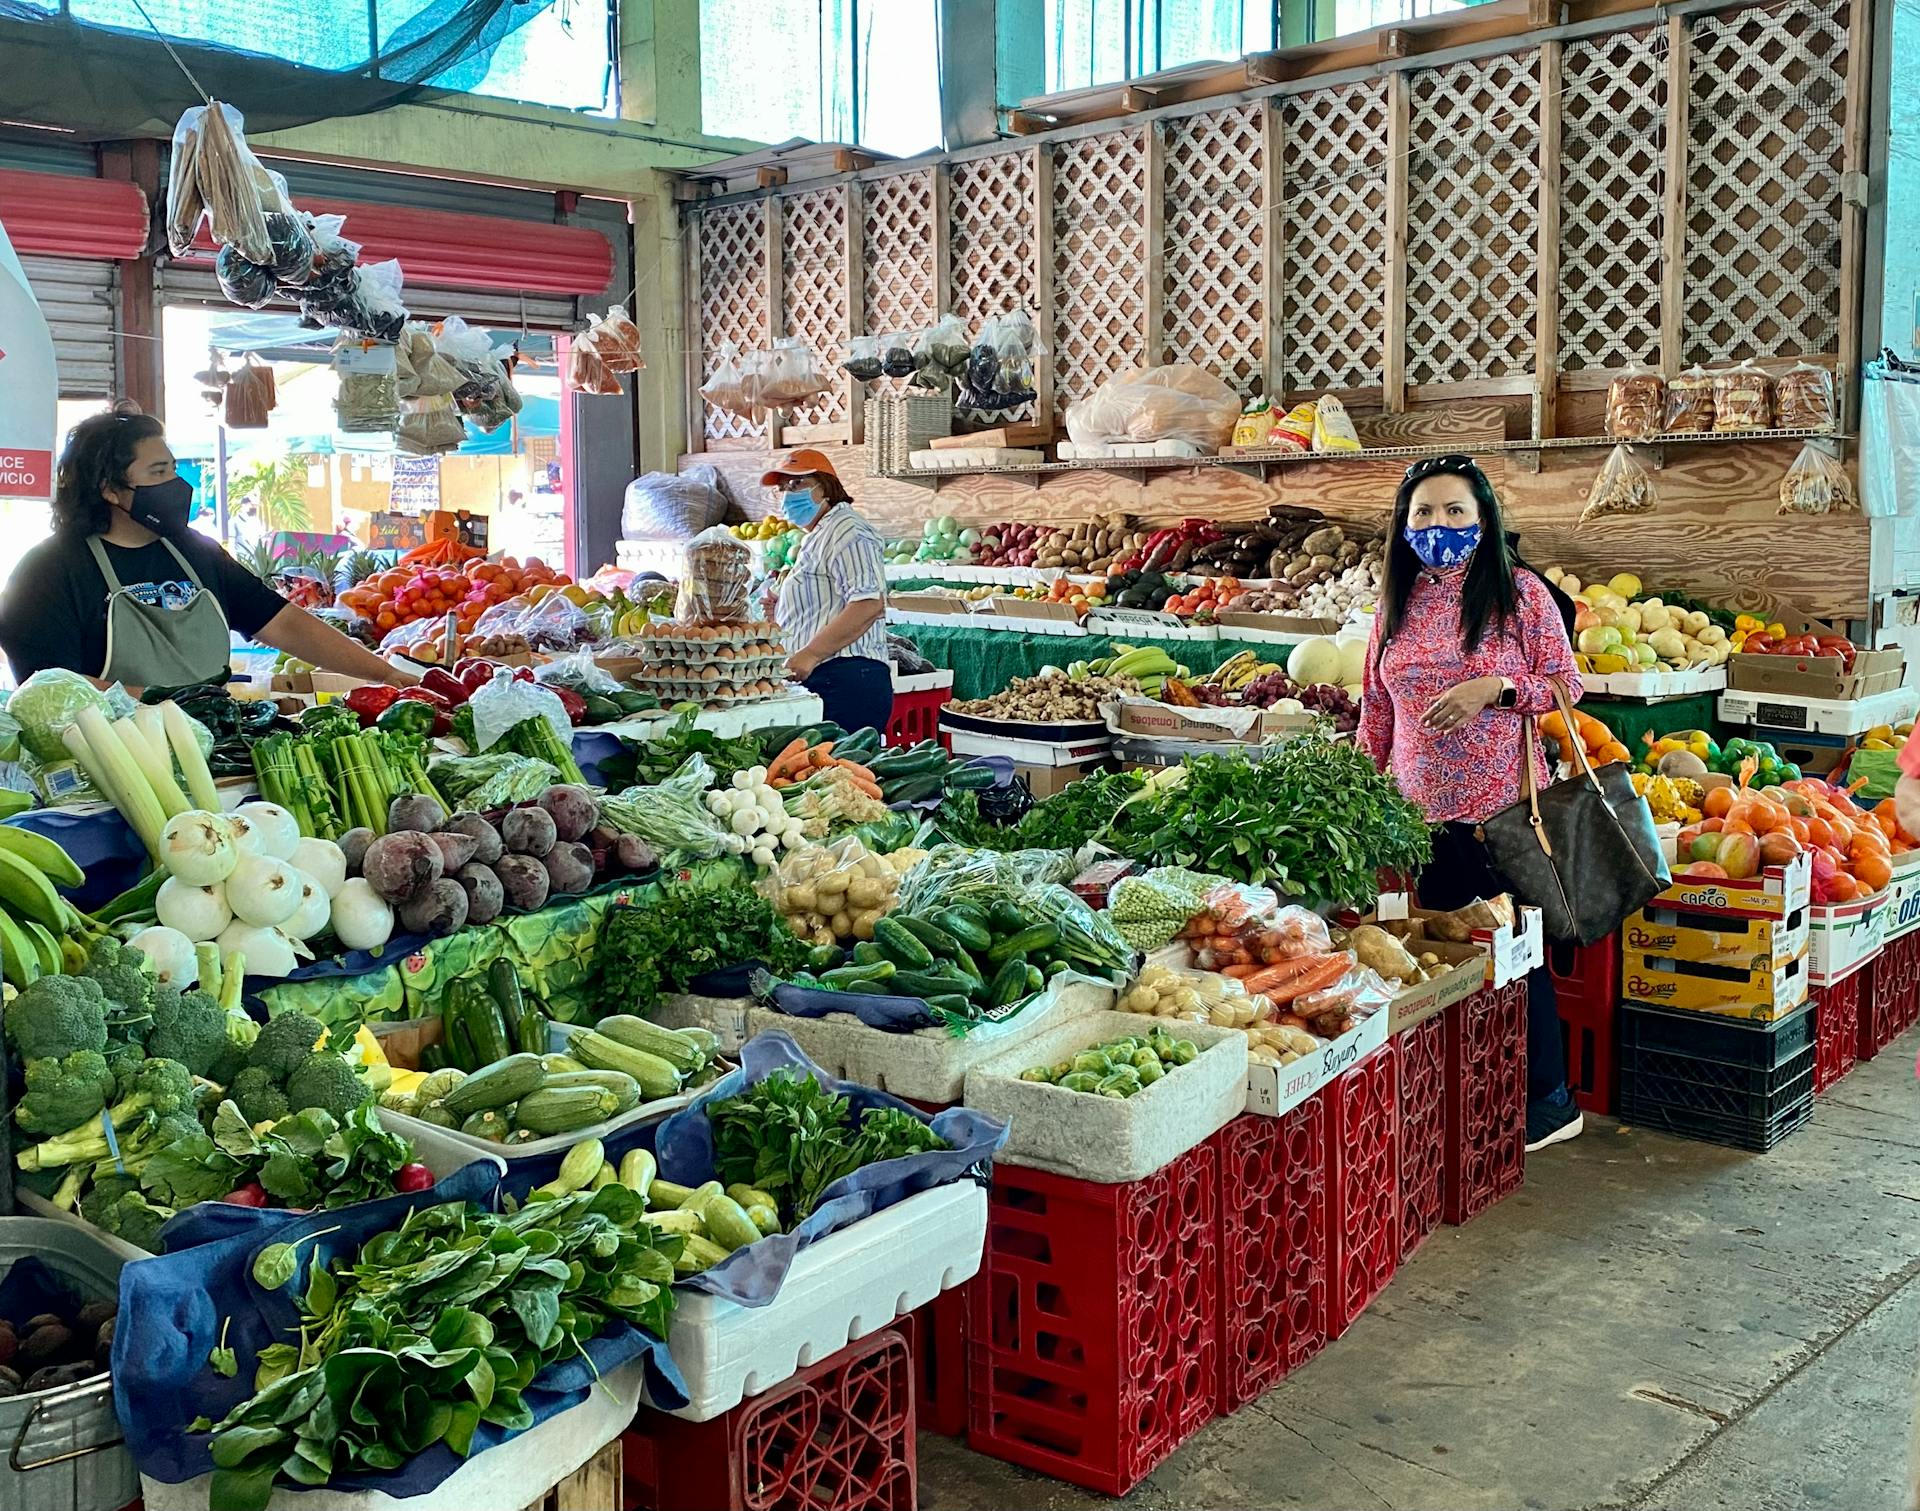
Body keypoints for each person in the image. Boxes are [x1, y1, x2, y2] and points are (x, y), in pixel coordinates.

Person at [1358, 454, 1584, 1152]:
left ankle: (1550, 1099)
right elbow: (1375, 708)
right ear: (1404, 525)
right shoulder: (1397, 602)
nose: (1439, 524)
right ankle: (1462, 1093)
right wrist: (1364, 797)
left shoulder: (1518, 595)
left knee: (1516, 954)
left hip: (1500, 814)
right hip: (1417, 817)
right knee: (1440, 957)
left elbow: (1568, 686)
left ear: (1483, 520)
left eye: (1455, 510)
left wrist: (1495, 688)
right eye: (1424, 512)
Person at [0, 408, 418, 694]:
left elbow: (284, 623)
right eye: (158, 472)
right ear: (109, 489)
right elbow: (50, 686)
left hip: (215, 752)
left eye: (173, 468)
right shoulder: (48, 572)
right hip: (106, 775)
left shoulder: (196, 553)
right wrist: (170, 703)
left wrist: (386, 674)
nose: (175, 484)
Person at [761, 448, 893, 733]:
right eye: (783, 487)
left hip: (846, 678)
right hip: (826, 678)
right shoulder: (819, 534)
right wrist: (781, 611)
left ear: (826, 487)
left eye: (797, 484)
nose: (787, 494)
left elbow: (868, 604)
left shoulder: (848, 531)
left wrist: (809, 654)